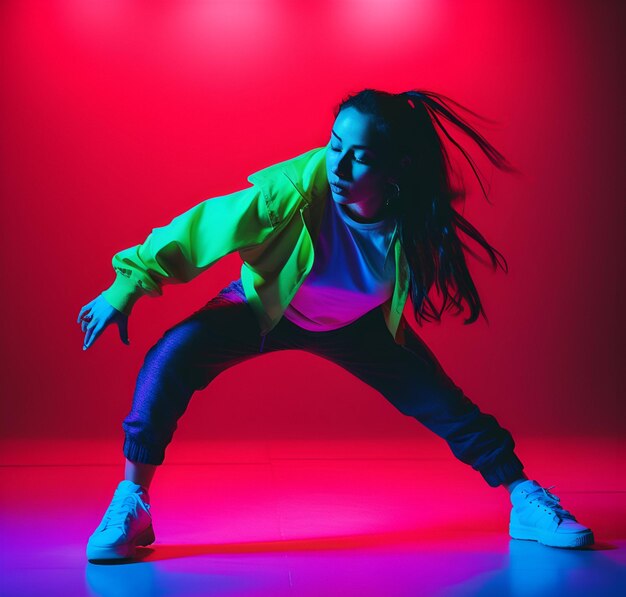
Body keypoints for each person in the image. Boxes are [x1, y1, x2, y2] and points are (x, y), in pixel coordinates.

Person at [78, 89, 594, 562]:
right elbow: (200, 228)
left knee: (442, 401)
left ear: (397, 168)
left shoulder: (413, 216)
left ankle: (523, 499)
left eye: (361, 155)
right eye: (334, 144)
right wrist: (127, 287)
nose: (340, 164)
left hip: (356, 324)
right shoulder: (290, 195)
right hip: (268, 308)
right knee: (172, 354)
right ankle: (133, 502)